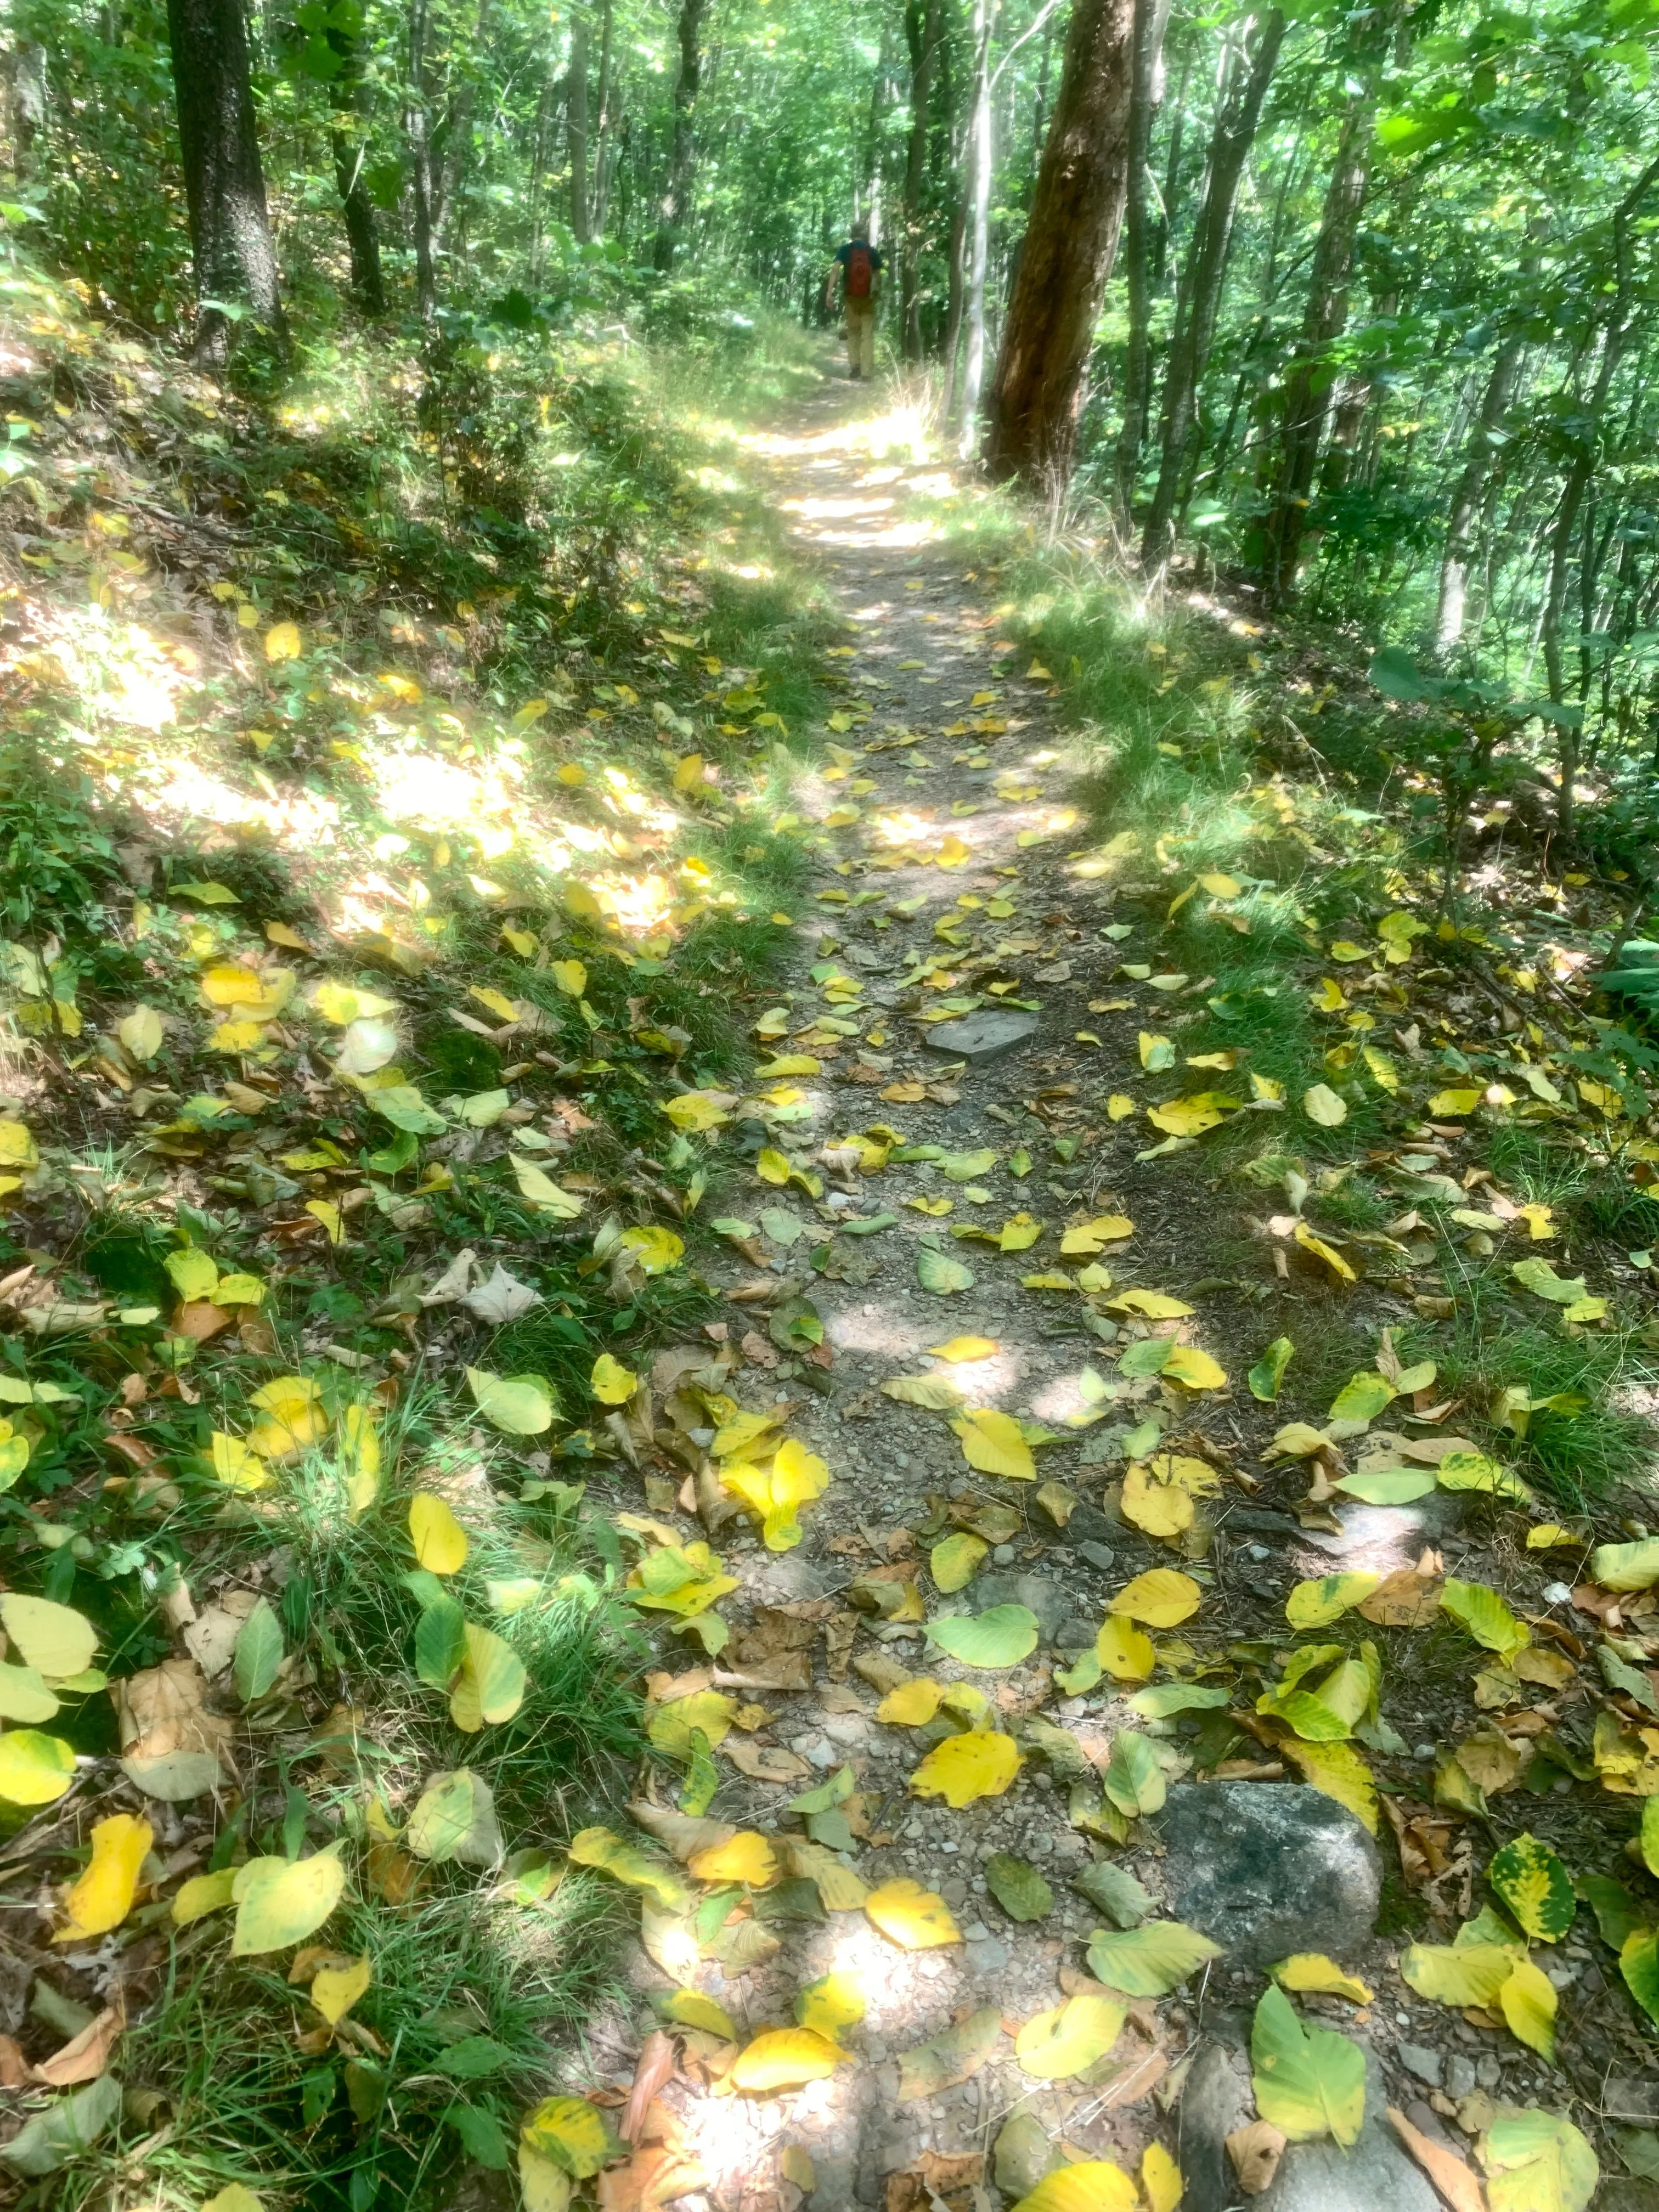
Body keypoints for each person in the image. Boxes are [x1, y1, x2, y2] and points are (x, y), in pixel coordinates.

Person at [829, 227, 883, 381]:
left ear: (852, 236)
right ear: (865, 236)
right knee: (867, 336)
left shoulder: (845, 250)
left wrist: (829, 292)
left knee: (853, 333)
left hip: (851, 299)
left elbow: (835, 270)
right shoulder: (872, 252)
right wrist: (876, 294)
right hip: (869, 300)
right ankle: (866, 373)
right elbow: (878, 276)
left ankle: (855, 368)